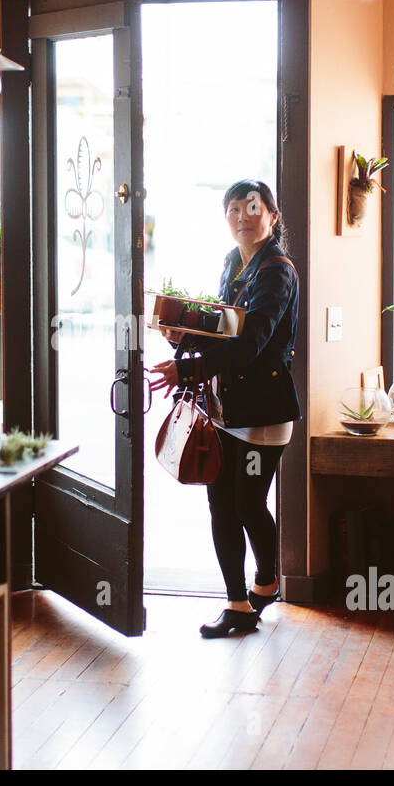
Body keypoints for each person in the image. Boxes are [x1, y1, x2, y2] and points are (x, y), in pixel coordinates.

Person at [146, 180, 301, 638]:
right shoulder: (233, 263)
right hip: (225, 407)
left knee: (249, 503)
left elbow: (251, 345)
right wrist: (183, 337)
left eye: (253, 207)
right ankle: (237, 604)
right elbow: (222, 330)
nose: (242, 216)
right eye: (233, 208)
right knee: (220, 505)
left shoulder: (277, 271)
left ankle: (267, 579)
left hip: (264, 416)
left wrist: (186, 372)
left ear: (272, 216)